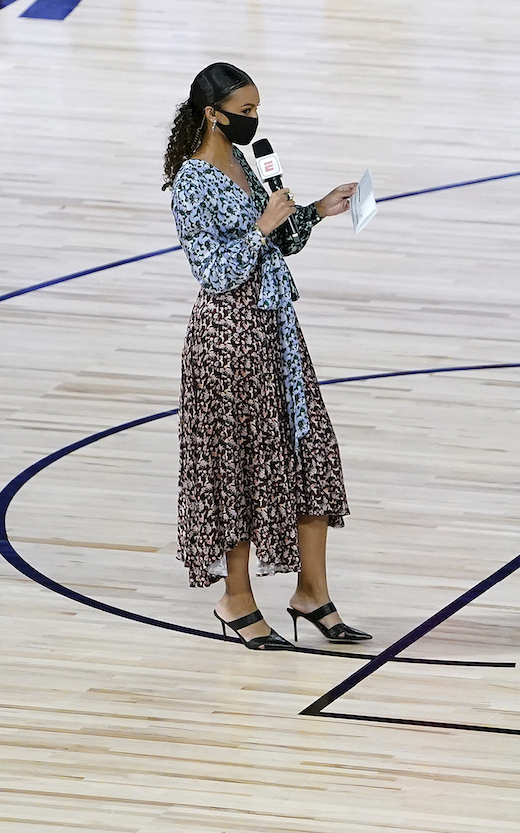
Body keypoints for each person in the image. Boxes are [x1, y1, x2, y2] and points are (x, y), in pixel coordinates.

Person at [161, 62, 371, 650]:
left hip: (275, 329)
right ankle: (236, 599)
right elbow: (213, 271)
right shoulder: (193, 181)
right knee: (239, 471)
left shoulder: (244, 163)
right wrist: (262, 228)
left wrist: (316, 211)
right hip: (228, 342)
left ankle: (313, 593)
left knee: (309, 454)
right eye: (245, 112)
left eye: (257, 111)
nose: (254, 121)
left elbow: (282, 242)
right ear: (212, 113)